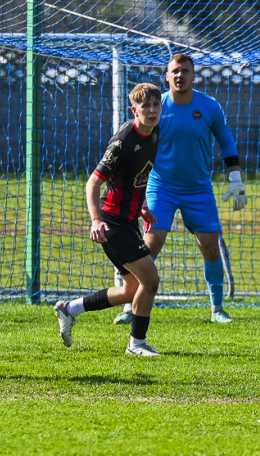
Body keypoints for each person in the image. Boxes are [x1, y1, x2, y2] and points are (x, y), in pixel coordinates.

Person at [116, 53, 246, 325]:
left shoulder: (209, 107)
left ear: (193, 75)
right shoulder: (156, 106)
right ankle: (130, 305)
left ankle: (217, 309)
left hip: (199, 189)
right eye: (175, 71)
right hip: (161, 186)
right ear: (166, 76)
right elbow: (136, 143)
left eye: (185, 71)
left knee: (210, 247)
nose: (180, 75)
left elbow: (227, 142)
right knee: (150, 244)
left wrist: (236, 179)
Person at [54, 83, 164, 356]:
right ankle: (136, 345)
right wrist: (95, 220)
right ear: (134, 110)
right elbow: (93, 182)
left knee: (131, 289)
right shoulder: (124, 140)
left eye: (155, 105)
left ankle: (69, 309)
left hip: (128, 220)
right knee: (150, 281)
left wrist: (144, 207)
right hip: (112, 223)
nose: (151, 111)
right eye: (145, 107)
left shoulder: (154, 133)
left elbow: (137, 178)